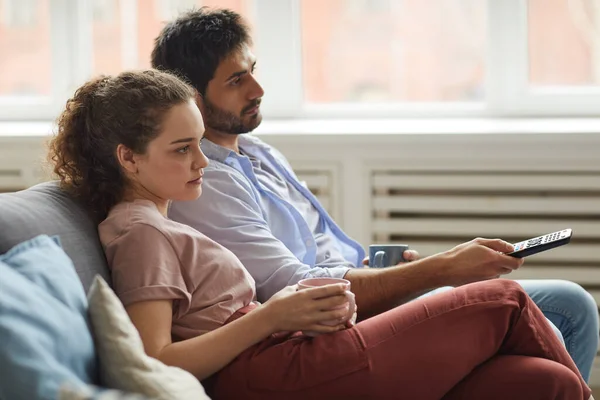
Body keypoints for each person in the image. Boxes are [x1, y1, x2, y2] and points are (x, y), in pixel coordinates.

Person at [47, 69, 593, 400]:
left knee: (544, 386)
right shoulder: (140, 232)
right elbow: (156, 359)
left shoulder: (158, 222)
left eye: (198, 144)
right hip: (271, 374)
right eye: (181, 149)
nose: (201, 163)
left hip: (289, 350)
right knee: (503, 297)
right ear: (128, 158)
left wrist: (296, 308)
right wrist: (273, 314)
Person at [151, 7, 600, 381]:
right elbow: (294, 288)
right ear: (191, 97)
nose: (258, 90)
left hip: (353, 292)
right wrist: (439, 270)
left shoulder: (257, 151)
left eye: (253, 71)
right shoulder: (203, 183)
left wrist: (390, 271)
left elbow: (321, 254)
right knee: (537, 335)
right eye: (236, 82)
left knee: (571, 304)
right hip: (326, 323)